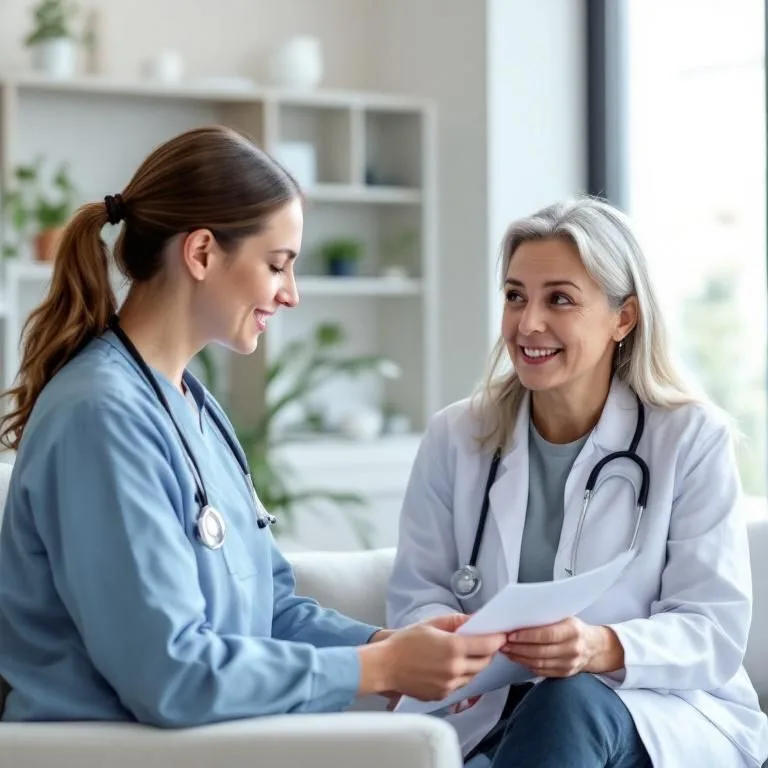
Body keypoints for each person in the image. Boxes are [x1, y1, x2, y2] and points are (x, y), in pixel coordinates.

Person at [0, 125, 507, 726]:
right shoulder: (102, 417)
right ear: (202, 253)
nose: (290, 294)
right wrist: (384, 671)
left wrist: (386, 648)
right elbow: (170, 676)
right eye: (276, 265)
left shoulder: (193, 407)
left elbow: (270, 610)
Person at [386, 197, 768, 768]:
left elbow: (712, 629)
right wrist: (454, 641)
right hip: (488, 717)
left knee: (568, 702)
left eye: (559, 299)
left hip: (652, 714)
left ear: (624, 318)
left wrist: (598, 647)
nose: (528, 323)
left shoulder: (688, 437)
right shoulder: (456, 435)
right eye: (515, 296)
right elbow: (417, 596)